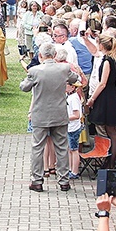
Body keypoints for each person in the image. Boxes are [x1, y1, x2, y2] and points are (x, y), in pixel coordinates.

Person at [20, 42, 78, 192]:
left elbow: (24, 87)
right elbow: (74, 78)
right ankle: (64, 181)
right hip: (59, 113)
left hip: (41, 114)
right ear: (54, 55)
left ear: (40, 56)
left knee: (37, 148)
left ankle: (37, 181)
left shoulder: (35, 71)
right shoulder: (64, 69)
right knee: (62, 147)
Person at [86, 33, 116, 169]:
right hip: (111, 95)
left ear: (102, 45)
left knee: (110, 131)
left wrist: (92, 99)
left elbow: (102, 83)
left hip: (106, 97)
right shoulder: (115, 60)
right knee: (112, 131)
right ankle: (111, 159)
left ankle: (111, 161)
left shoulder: (107, 61)